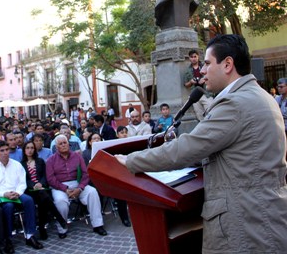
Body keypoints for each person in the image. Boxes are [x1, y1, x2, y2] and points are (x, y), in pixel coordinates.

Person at [115, 34, 287, 253]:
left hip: (244, 224)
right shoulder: (261, 97)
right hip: (264, 215)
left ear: (227, 64)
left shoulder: (233, 103)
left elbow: (185, 149)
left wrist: (130, 160)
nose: (202, 71)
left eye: (207, 63)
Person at [46, 135, 107, 239]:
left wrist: (80, 188)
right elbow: (50, 179)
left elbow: (85, 174)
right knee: (60, 201)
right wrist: (65, 189)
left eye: (65, 143)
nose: (64, 145)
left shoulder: (77, 156)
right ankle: (62, 228)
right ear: (56, 147)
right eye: (60, 144)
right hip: (60, 186)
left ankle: (98, 225)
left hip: (77, 183)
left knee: (92, 192)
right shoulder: (51, 160)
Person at [0, 140, 43, 250]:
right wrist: (5, 194)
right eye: (2, 151)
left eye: (7, 150)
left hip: (17, 193)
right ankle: (8, 239)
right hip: (3, 196)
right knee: (8, 207)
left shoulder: (16, 165)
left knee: (29, 200)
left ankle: (30, 235)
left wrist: (17, 192)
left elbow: (22, 183)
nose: (5, 153)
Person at [20, 141, 67, 240]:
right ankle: (58, 218)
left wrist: (41, 183)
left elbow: (45, 175)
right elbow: (24, 179)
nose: (30, 150)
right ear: (24, 150)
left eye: (32, 148)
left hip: (43, 188)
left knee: (43, 198)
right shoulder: (21, 164)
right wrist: (34, 185)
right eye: (27, 148)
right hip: (30, 190)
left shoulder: (40, 161)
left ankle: (42, 228)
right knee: (43, 197)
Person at [184, 49, 214, 121]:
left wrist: (204, 79)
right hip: (195, 95)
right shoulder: (187, 70)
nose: (193, 58)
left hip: (206, 93)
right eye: (192, 57)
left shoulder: (205, 66)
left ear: (198, 57)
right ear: (189, 58)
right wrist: (191, 82)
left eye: (195, 56)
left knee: (212, 112)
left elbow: (213, 76)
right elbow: (185, 84)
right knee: (200, 116)